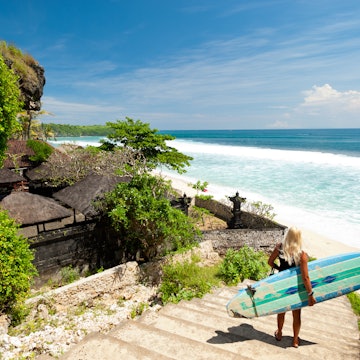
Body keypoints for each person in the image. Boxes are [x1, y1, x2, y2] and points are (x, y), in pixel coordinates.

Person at [268, 226, 316, 348]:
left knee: (281, 311)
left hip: (282, 285)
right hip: (296, 287)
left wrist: (279, 269)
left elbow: (270, 262)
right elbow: (305, 278)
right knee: (296, 314)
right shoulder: (302, 255)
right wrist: (310, 294)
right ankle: (295, 340)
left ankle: (279, 333)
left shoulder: (279, 248)